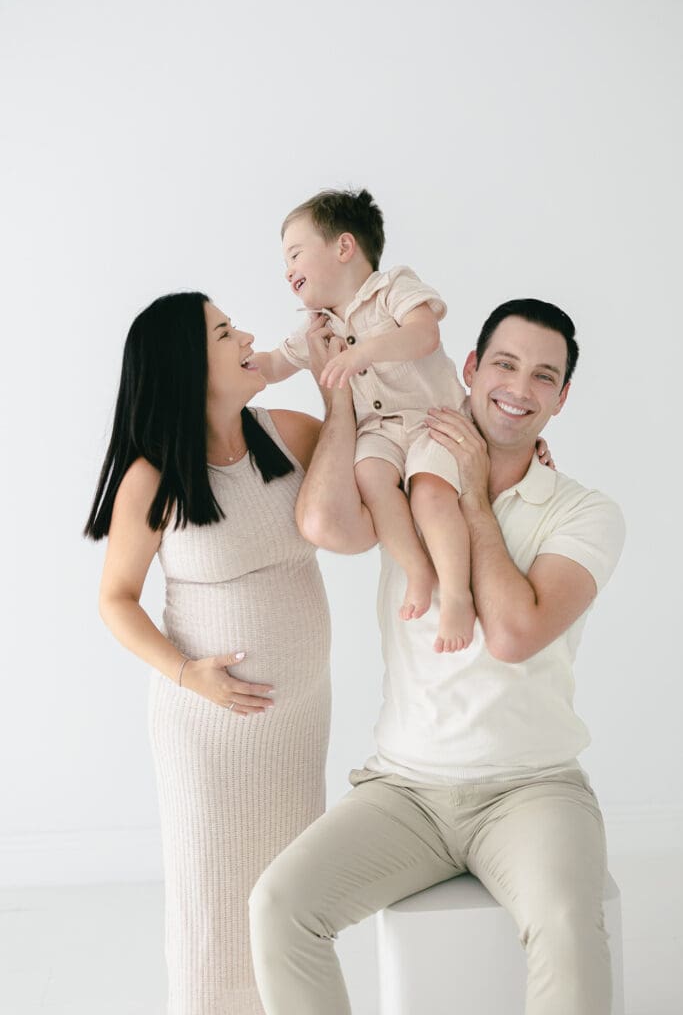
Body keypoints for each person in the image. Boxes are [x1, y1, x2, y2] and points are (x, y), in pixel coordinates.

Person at [249, 298, 626, 1015]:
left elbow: (515, 634)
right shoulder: (404, 479)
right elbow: (326, 521)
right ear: (472, 369)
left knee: (565, 926)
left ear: (561, 399)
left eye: (544, 377)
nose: (519, 388)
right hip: (405, 791)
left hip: (531, 787)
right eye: (505, 365)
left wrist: (478, 501)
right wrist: (339, 403)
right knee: (279, 904)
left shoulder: (583, 512)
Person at [84, 292, 331, 1015]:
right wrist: (187, 673)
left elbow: (385, 477)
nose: (248, 335)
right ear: (189, 368)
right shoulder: (153, 477)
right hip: (208, 734)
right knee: (213, 913)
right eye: (225, 332)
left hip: (296, 723)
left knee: (290, 903)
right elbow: (116, 599)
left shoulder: (290, 435)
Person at [254, 187, 476, 653]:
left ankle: (456, 594)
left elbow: (425, 333)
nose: (288, 270)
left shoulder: (391, 287)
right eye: (285, 263)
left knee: (432, 495)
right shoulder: (318, 327)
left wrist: (366, 353)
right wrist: (231, 364)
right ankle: (417, 569)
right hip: (379, 432)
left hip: (432, 418)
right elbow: (274, 364)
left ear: (343, 247)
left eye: (295, 254)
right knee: (371, 477)